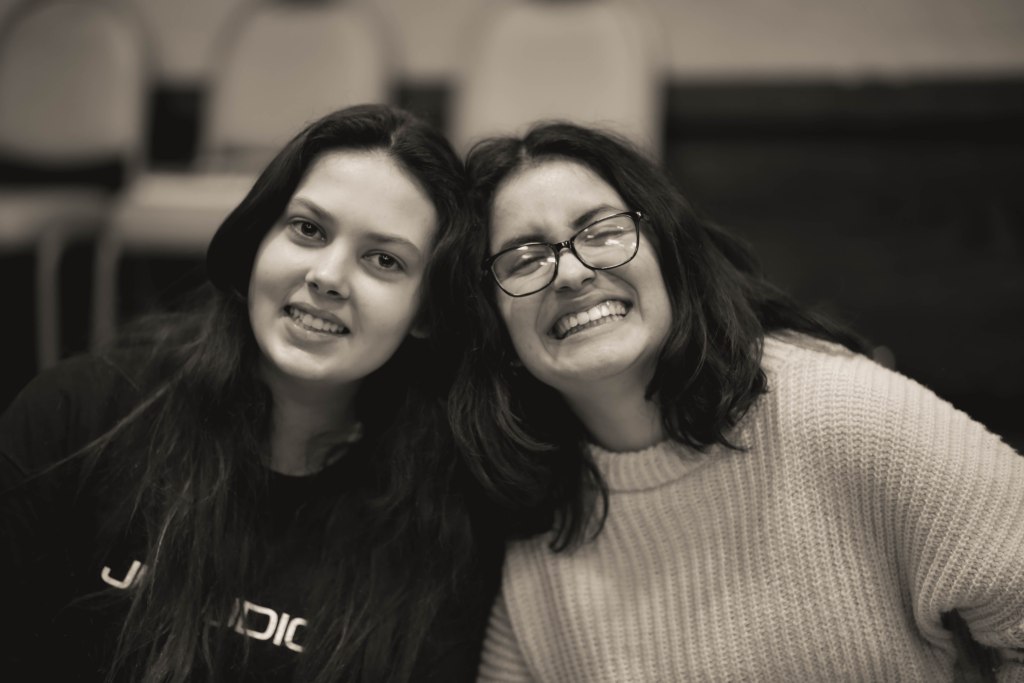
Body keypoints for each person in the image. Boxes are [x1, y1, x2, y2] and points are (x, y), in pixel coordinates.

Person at [440, 121, 1024, 681]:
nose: (570, 272)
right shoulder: (537, 525)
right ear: (495, 323)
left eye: (603, 232)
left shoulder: (837, 409)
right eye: (525, 260)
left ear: (669, 253)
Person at [0, 104, 502, 682]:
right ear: (257, 238)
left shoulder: (448, 514)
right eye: (308, 229)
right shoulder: (78, 413)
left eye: (384, 260)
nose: (327, 277)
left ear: (427, 313)